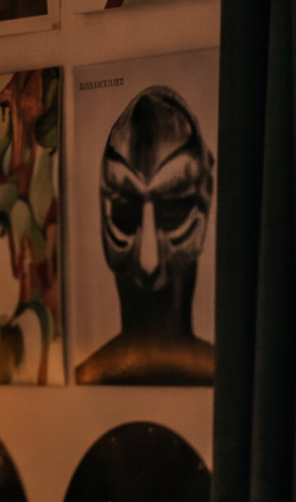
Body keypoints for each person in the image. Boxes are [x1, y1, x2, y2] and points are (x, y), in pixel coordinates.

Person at [75, 84, 216, 384]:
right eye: (126, 211)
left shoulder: (237, 382)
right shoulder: (88, 374)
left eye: (174, 209)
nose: (148, 261)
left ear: (207, 199)